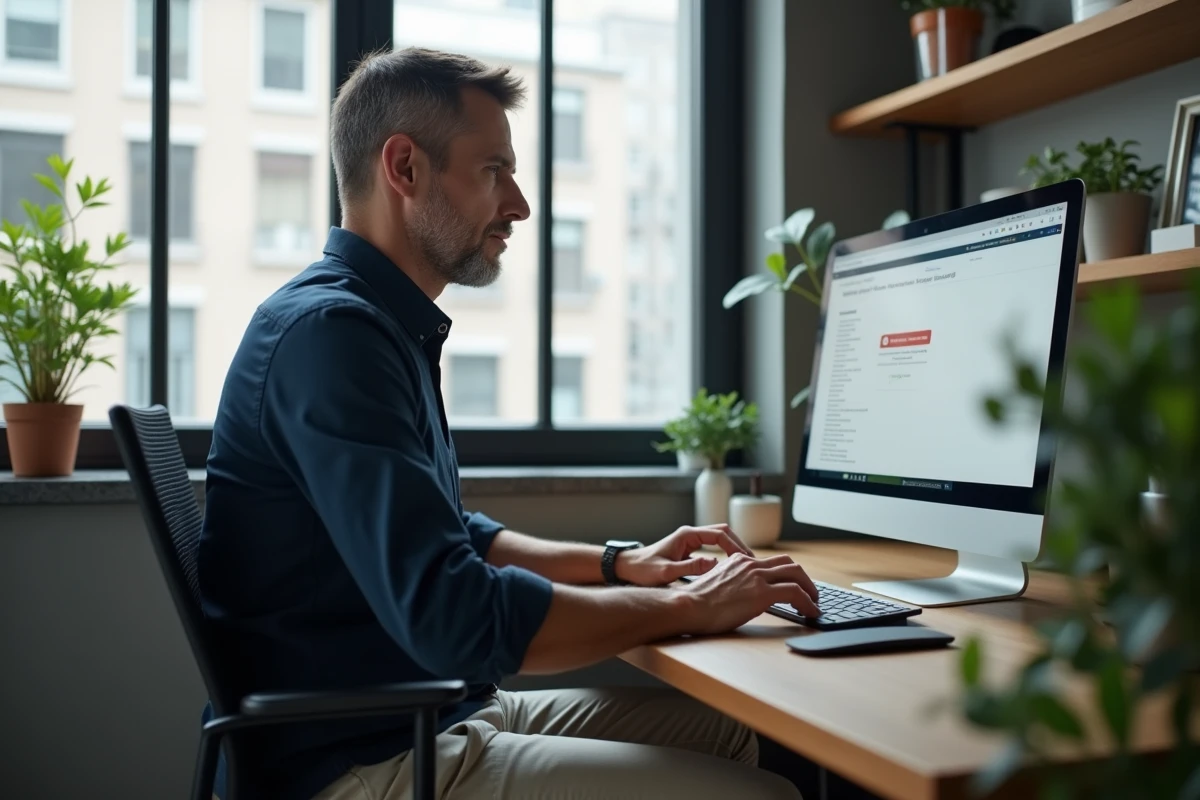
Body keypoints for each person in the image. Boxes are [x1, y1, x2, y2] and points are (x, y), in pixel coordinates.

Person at [202, 46, 820, 800]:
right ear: (405, 168)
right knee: (773, 797)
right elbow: (457, 619)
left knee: (750, 743)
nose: (519, 204)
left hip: (432, 717)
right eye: (494, 169)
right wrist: (687, 605)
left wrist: (621, 564)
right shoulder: (333, 336)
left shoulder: (373, 325)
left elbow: (454, 538)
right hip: (364, 762)